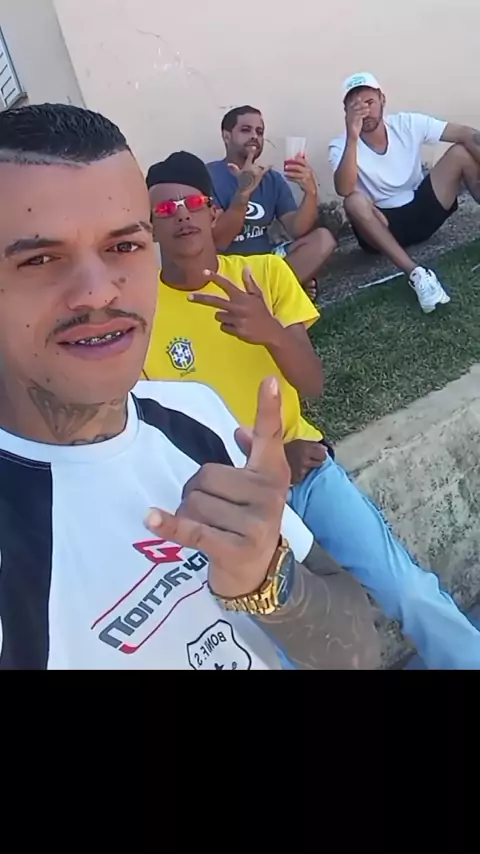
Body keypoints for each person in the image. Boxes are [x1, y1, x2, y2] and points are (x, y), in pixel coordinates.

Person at [0, 103, 380, 671]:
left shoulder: (192, 413)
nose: (98, 292)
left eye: (123, 246)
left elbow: (358, 650)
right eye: (40, 259)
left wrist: (267, 580)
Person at [144, 149, 480, 670]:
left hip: (305, 472)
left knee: (408, 589)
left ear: (213, 210)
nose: (181, 216)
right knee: (288, 650)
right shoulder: (142, 318)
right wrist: (262, 466)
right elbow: (161, 434)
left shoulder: (265, 275)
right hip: (235, 505)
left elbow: (312, 382)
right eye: (166, 210)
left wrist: (271, 332)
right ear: (150, 227)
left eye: (192, 203)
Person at [329, 72, 480, 313]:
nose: (365, 112)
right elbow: (344, 188)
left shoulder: (406, 123)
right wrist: (353, 138)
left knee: (461, 153)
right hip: (383, 228)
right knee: (353, 201)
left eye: (369, 102)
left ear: (382, 100)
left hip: (422, 210)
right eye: (356, 107)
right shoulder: (341, 145)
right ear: (346, 111)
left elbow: (466, 133)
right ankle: (417, 275)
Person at [207, 105, 336, 300]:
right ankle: (286, 290)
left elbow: (297, 229)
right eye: (245, 130)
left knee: (323, 239)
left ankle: (273, 293)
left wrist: (310, 192)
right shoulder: (209, 176)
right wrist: (243, 192)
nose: (254, 136)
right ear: (226, 136)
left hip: (268, 263)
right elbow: (220, 240)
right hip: (229, 267)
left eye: (259, 132)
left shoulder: (271, 178)